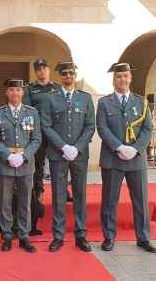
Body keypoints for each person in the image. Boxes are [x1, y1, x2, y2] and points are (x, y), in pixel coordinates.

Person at [97, 62, 156, 253]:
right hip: (113, 159)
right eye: (118, 76)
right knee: (110, 201)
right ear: (114, 80)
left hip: (136, 159)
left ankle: (143, 238)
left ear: (130, 78)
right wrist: (119, 147)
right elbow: (102, 128)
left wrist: (136, 149)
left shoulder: (141, 102)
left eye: (125, 76)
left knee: (140, 200)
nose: (122, 79)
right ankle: (108, 237)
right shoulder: (104, 102)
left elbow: (148, 129)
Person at [41, 61, 95, 252]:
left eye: (71, 73)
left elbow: (90, 126)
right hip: (58, 154)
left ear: (75, 75)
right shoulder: (50, 98)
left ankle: (81, 235)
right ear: (59, 76)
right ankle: (58, 235)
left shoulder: (85, 98)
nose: (68, 77)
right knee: (59, 195)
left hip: (79, 155)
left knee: (80, 194)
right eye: (64, 74)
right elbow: (46, 125)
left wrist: (77, 147)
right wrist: (63, 146)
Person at [0, 79, 41, 253]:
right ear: (7, 93)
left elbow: (36, 139)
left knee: (25, 201)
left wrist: (24, 156)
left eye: (18, 90)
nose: (15, 93)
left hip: (26, 164)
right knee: (5, 201)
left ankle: (24, 235)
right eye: (11, 90)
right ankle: (7, 235)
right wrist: (9, 156)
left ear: (22, 92)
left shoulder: (32, 113)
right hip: (6, 164)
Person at [23, 58, 63, 236]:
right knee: (37, 169)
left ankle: (63, 191)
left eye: (44, 68)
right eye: (38, 69)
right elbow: (26, 111)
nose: (41, 71)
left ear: (49, 70)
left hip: (54, 132)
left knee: (60, 166)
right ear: (35, 72)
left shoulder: (57, 88)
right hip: (38, 133)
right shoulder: (30, 89)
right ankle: (37, 200)